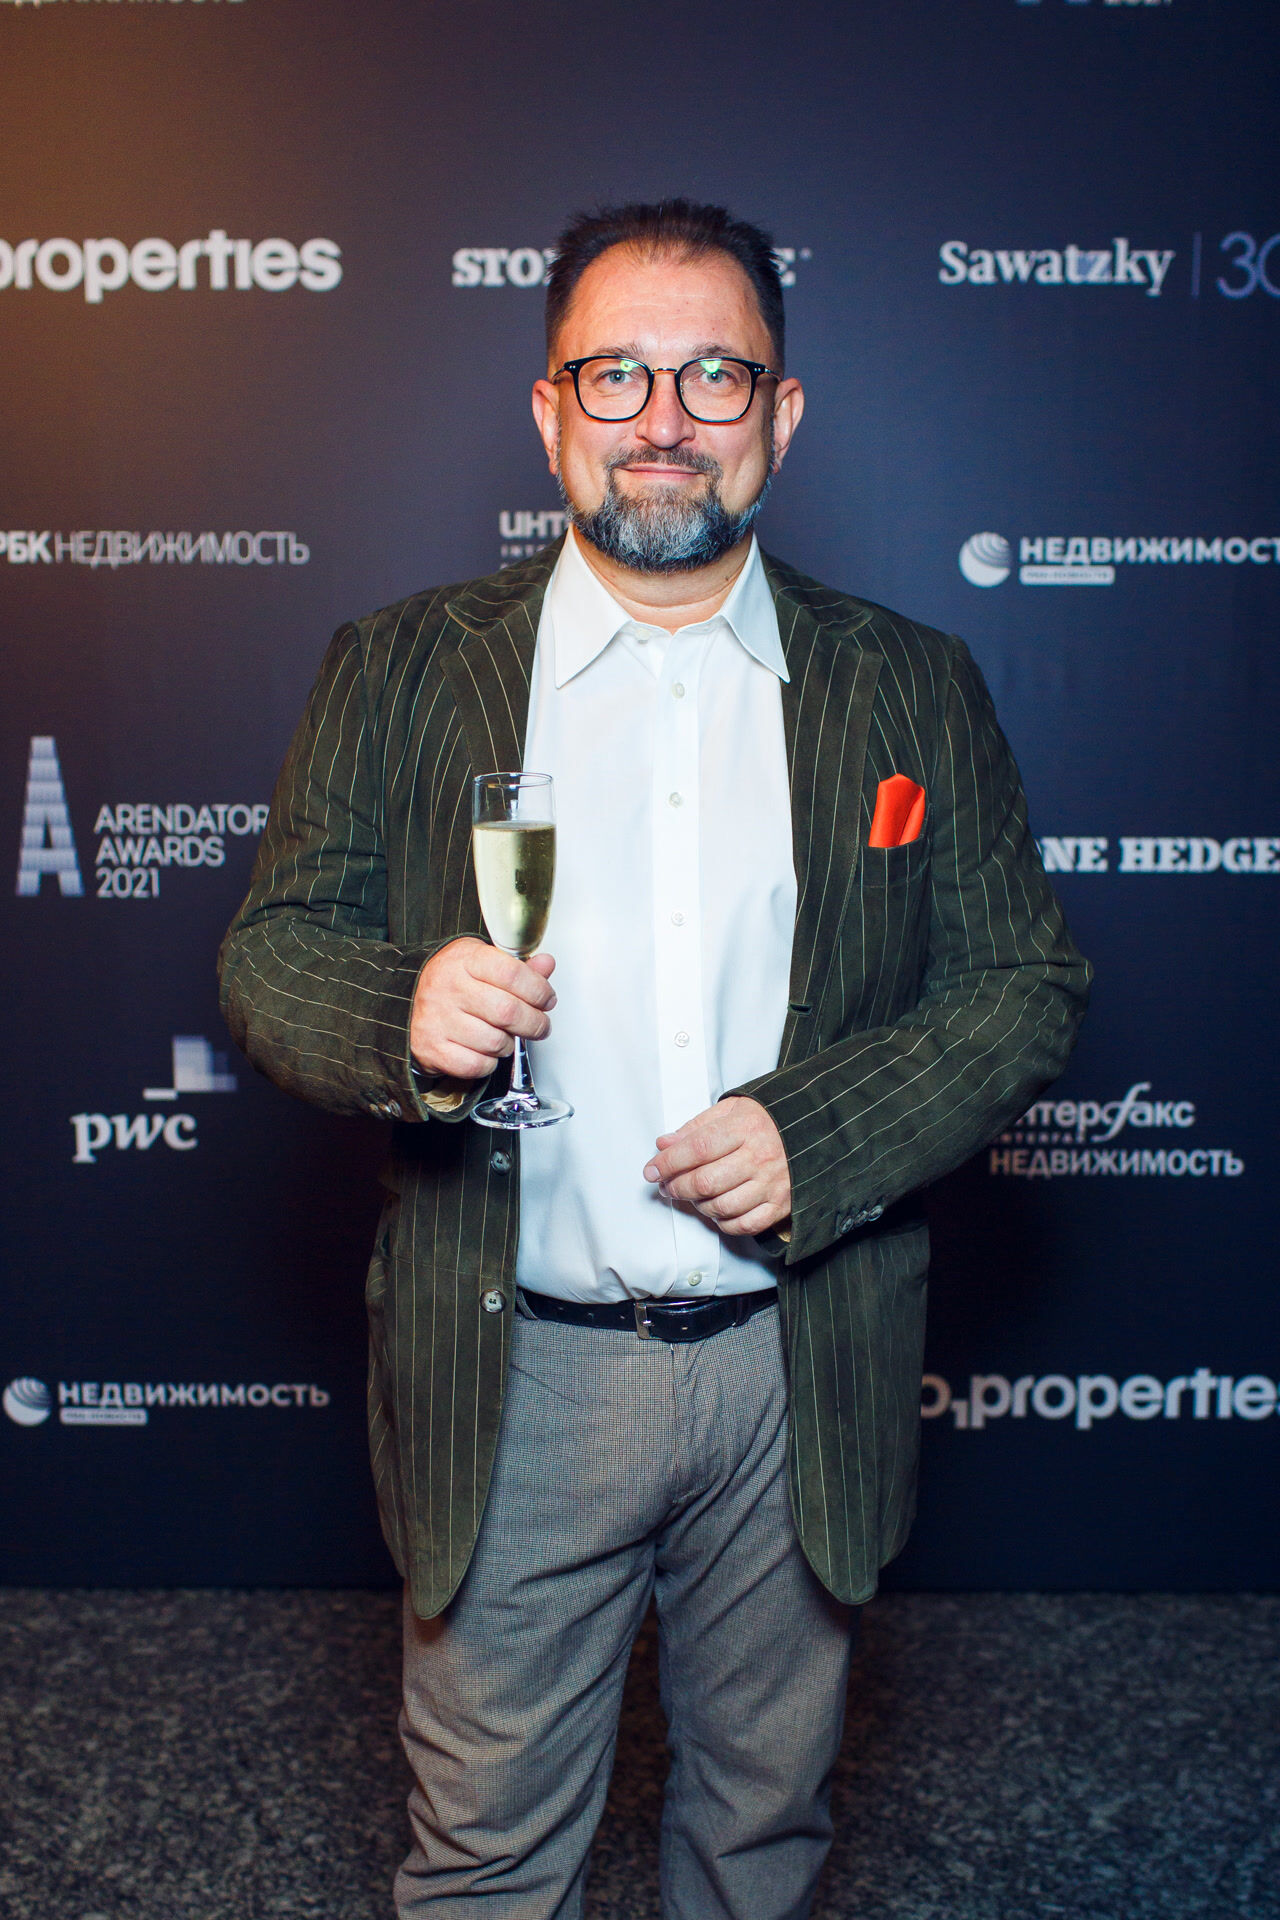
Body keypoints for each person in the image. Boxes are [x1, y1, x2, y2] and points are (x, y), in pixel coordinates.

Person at [219, 199, 1090, 1919]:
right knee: (486, 1858)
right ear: (551, 411)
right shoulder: (398, 669)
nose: (665, 418)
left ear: (782, 415)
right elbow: (270, 956)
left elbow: (1022, 985)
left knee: (760, 1837)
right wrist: (403, 1013)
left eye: (715, 375)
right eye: (615, 374)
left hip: (797, 1363)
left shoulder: (913, 684)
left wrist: (819, 1133)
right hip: (521, 1367)